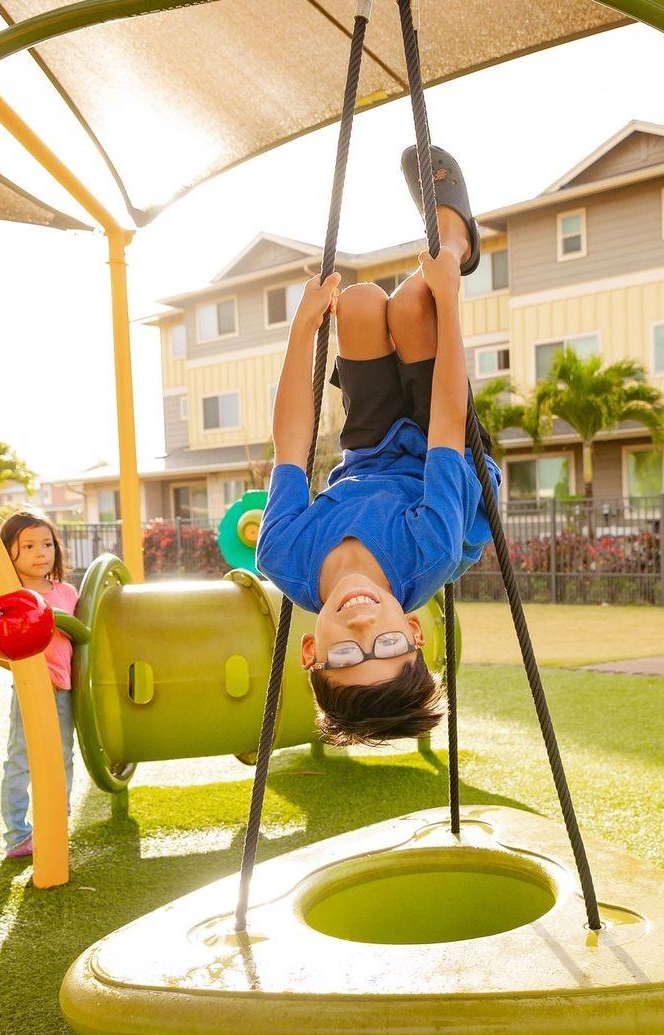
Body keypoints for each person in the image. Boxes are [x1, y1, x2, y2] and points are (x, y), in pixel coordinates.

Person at [256, 146, 501, 747]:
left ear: (310, 651)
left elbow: (291, 444)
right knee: (417, 302)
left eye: (346, 655)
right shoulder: (427, 553)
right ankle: (458, 238)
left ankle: (419, 286)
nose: (364, 626)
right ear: (413, 629)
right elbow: (449, 424)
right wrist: (449, 297)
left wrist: (303, 328)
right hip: (442, 465)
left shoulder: (283, 555)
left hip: (369, 459)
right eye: (388, 645)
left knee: (360, 303)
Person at [0, 508, 78, 860]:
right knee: (21, 760)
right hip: (30, 692)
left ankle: (54, 826)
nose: (40, 553)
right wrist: (29, 675)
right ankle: (16, 834)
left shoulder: (66, 593)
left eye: (47, 544)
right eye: (28, 546)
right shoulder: (10, 596)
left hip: (64, 691)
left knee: (62, 758)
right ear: (8, 552)